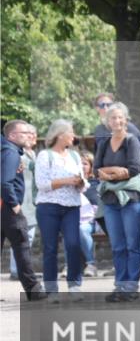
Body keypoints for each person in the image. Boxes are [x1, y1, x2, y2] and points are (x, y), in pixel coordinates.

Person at [95, 102, 140, 302]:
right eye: (112, 118)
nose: (116, 121)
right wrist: (116, 172)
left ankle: (131, 286)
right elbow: (96, 170)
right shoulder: (103, 143)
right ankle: (120, 284)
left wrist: (110, 173)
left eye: (119, 117)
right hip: (110, 200)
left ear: (125, 120)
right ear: (107, 122)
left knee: (133, 244)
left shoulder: (131, 141)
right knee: (117, 246)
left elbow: (134, 169)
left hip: (131, 199)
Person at [34, 120, 87, 300]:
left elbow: (83, 183)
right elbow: (41, 184)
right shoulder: (44, 155)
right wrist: (66, 181)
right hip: (48, 207)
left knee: (73, 244)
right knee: (50, 248)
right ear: (59, 135)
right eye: (71, 133)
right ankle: (51, 289)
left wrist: (80, 182)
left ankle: (74, 285)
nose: (74, 136)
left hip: (72, 206)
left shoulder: (74, 156)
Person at [1, 120, 44, 299]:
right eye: (24, 133)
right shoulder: (10, 152)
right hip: (8, 210)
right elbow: (5, 182)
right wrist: (15, 204)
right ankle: (34, 291)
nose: (29, 135)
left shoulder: (5, 150)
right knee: (22, 247)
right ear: (12, 136)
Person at [8, 123, 37, 281]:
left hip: (31, 201)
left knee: (28, 237)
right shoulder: (16, 153)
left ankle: (20, 270)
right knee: (20, 237)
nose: (30, 136)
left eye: (32, 133)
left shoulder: (32, 154)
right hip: (20, 201)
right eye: (27, 133)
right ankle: (15, 270)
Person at [92, 92, 140, 159]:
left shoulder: (125, 126)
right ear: (97, 108)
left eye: (109, 105)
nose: (105, 108)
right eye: (102, 105)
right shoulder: (99, 130)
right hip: (107, 165)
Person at [77, 150, 99, 278]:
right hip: (74, 220)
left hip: (92, 222)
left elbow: (97, 207)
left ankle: (91, 264)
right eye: (79, 163)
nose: (82, 166)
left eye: (85, 163)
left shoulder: (95, 184)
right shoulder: (71, 182)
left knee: (82, 229)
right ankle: (72, 265)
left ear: (91, 166)